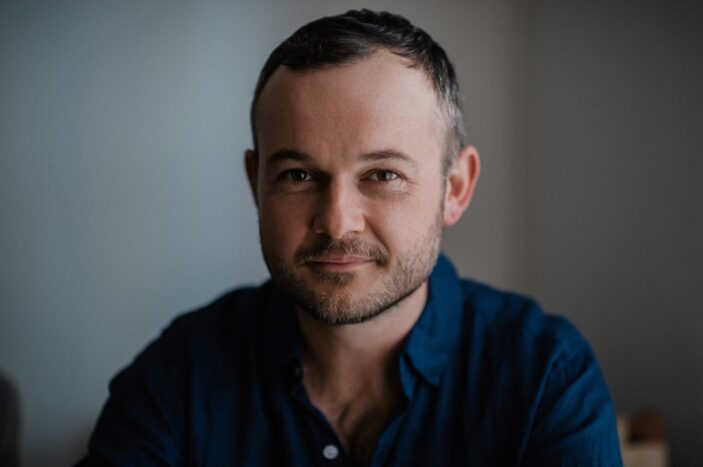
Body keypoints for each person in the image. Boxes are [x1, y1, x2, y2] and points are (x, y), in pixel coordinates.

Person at [76, 9, 622, 466]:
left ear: (455, 189)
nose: (337, 223)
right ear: (256, 183)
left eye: (382, 174)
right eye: (298, 175)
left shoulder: (545, 377)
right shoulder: (178, 377)